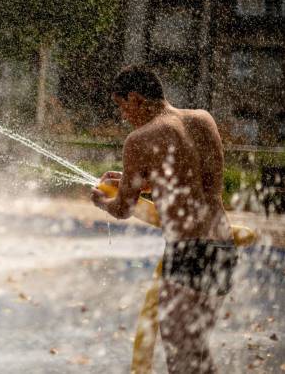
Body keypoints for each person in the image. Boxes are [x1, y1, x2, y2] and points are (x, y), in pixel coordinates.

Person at [90, 65, 237, 373]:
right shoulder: (202, 119)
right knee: (195, 347)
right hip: (222, 246)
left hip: (188, 249)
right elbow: (193, 183)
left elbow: (123, 209)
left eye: (122, 106)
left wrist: (102, 201)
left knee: (180, 353)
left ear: (135, 98)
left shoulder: (140, 138)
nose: (124, 115)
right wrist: (143, 181)